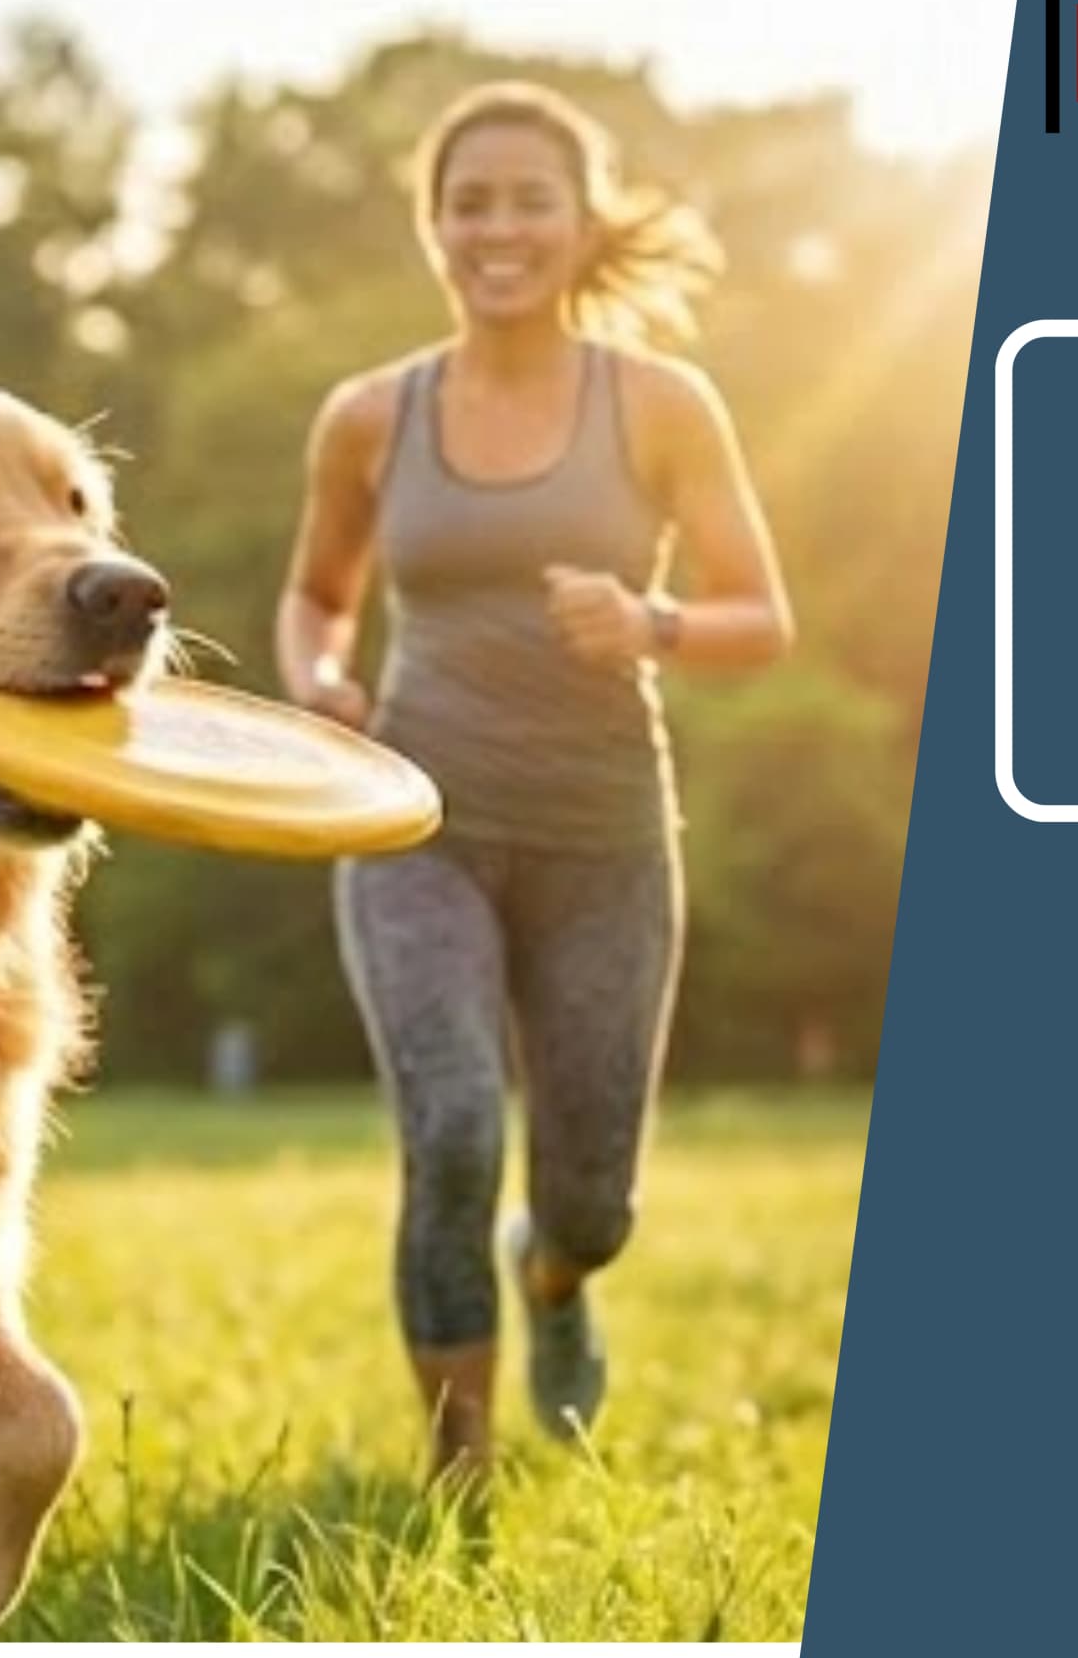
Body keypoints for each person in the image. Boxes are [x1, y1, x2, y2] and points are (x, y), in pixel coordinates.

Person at [275, 81, 795, 1482]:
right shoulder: (371, 417)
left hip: (604, 838)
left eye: (529, 198)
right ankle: (462, 1472)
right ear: (435, 227)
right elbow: (319, 598)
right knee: (448, 1129)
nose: (498, 226)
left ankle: (554, 1278)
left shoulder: (662, 405)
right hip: (416, 821)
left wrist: (656, 624)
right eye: (470, 201)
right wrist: (318, 678)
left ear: (580, 220)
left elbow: (762, 616)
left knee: (593, 1199)